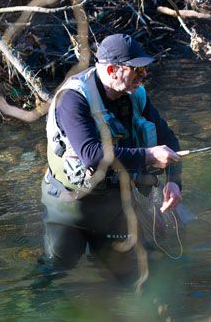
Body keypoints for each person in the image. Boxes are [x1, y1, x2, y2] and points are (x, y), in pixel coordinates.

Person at [41, 33, 183, 281]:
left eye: (144, 70)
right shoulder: (73, 99)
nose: (143, 76)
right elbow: (92, 156)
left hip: (114, 204)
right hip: (70, 204)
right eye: (136, 70)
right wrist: (149, 155)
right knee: (57, 271)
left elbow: (168, 139)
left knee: (124, 276)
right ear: (111, 69)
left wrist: (174, 181)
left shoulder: (135, 94)